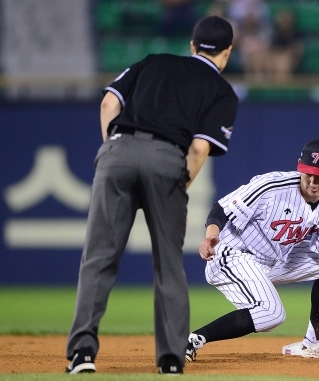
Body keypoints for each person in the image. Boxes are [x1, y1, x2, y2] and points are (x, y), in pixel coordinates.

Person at [65, 16, 238, 375]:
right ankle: (171, 360)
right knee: (168, 266)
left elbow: (108, 105)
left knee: (98, 259)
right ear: (228, 53)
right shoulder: (222, 91)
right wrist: (177, 190)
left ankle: (82, 355)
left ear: (193, 46)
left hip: (118, 151)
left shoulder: (153, 61)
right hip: (167, 159)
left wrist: (110, 152)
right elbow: (198, 150)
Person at [184, 138, 319, 361]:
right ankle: (191, 339)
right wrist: (212, 233)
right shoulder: (271, 186)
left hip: (273, 262)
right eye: (307, 173)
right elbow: (221, 208)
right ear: (299, 166)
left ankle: (315, 341)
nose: (312, 181)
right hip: (232, 254)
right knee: (272, 314)